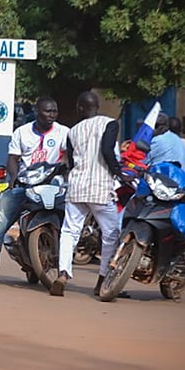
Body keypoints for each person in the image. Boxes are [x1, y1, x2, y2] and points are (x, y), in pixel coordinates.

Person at [0, 96, 69, 280]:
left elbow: (69, 157)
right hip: (26, 184)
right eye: (47, 111)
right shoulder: (22, 132)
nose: (51, 115)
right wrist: (14, 178)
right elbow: (13, 158)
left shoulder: (64, 132)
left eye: (54, 111)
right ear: (37, 112)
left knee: (72, 223)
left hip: (54, 185)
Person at [50, 91, 121, 297]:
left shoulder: (72, 131)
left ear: (80, 108)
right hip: (100, 188)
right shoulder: (110, 124)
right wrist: (119, 173)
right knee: (110, 235)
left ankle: (63, 273)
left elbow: (71, 163)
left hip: (77, 187)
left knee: (69, 231)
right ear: (97, 105)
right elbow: (108, 151)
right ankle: (102, 280)